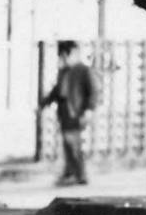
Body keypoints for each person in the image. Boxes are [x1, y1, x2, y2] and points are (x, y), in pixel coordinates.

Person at [40, 39, 97, 186]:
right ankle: (70, 173)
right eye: (61, 56)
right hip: (64, 111)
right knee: (67, 144)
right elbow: (57, 91)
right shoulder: (64, 72)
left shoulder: (84, 70)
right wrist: (44, 103)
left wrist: (89, 110)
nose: (63, 59)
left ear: (73, 54)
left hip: (76, 112)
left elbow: (93, 92)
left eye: (65, 55)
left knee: (73, 144)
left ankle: (80, 175)